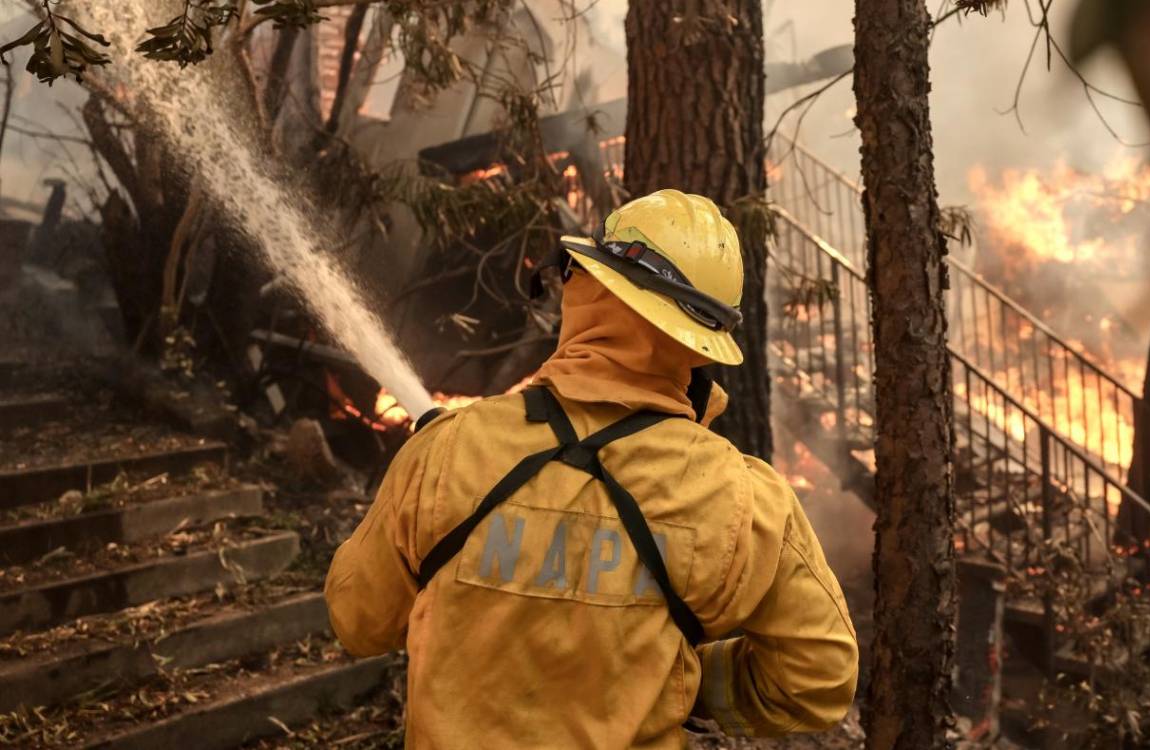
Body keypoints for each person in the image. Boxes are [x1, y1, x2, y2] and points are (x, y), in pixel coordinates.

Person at [325, 189, 859, 749]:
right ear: (701, 344)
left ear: (585, 288)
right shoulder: (740, 496)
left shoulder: (448, 449)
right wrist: (691, 685)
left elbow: (358, 620)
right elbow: (818, 678)